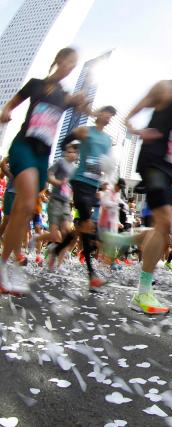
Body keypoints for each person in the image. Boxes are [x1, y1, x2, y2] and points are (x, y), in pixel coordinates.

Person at [104, 52, 172, 314]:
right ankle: (142, 293)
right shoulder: (165, 87)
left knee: (164, 228)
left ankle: (121, 240)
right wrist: (137, 130)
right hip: (152, 162)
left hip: (170, 166)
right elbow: (131, 115)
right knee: (163, 222)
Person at [0, 47, 87, 294]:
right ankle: (6, 266)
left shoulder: (65, 95)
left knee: (24, 208)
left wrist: (83, 105)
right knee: (26, 202)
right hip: (23, 146)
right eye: (69, 61)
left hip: (43, 154)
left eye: (75, 64)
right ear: (59, 60)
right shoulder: (36, 84)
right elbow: (12, 103)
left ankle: (4, 262)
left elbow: (81, 107)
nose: (71, 67)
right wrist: (6, 110)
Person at [48, 106, 118, 290]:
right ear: (99, 114)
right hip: (79, 182)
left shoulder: (108, 139)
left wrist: (105, 180)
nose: (110, 116)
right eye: (107, 112)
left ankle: (56, 249)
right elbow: (65, 142)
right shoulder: (86, 131)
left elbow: (107, 164)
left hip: (93, 185)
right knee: (87, 225)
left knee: (82, 228)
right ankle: (91, 275)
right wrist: (74, 143)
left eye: (112, 114)